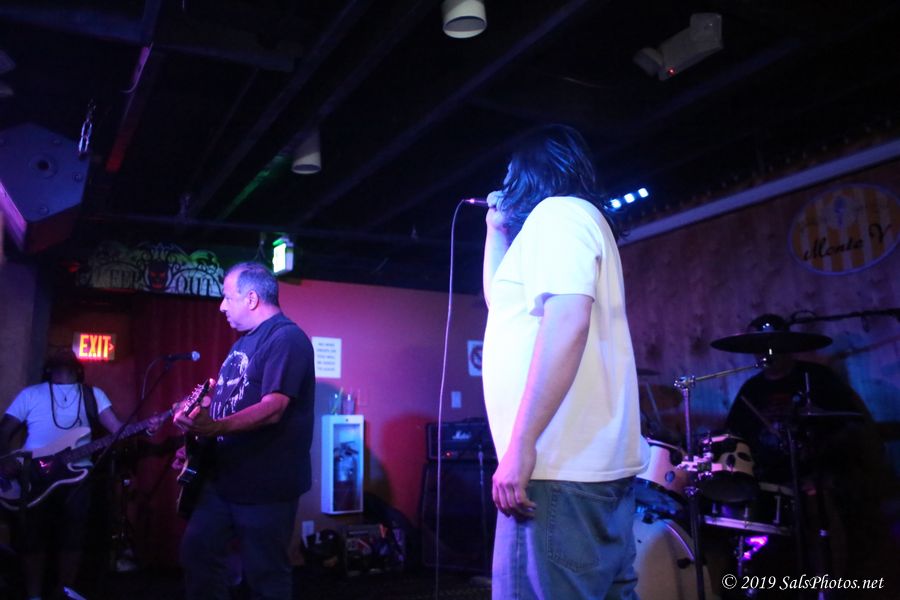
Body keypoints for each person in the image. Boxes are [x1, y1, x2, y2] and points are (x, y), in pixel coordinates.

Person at [480, 124, 649, 599]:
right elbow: (501, 302)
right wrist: (496, 230)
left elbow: (569, 321)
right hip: (586, 473)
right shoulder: (573, 222)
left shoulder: (557, 215)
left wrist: (522, 444)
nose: (504, 187)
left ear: (526, 174)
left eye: (510, 176)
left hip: (558, 471)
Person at [173, 261, 315, 600]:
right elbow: (228, 405)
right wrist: (196, 442)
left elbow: (274, 407)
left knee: (266, 577)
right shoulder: (241, 345)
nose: (222, 306)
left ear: (251, 299)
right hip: (223, 480)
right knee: (198, 554)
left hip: (266, 484)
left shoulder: (287, 338)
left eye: (227, 297)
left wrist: (213, 427)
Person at [724, 313, 890, 579]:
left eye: (773, 345)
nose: (766, 353)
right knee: (731, 503)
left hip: (819, 472)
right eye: (759, 347)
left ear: (788, 346)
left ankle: (829, 584)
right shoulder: (751, 390)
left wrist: (821, 458)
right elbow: (733, 434)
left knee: (816, 507)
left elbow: (852, 425)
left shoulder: (817, 377)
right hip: (770, 479)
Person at [0, 349, 131, 600]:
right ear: (48, 368)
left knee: (74, 536)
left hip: (77, 475)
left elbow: (116, 429)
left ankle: (64, 592)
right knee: (34, 536)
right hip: (34, 474)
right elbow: (4, 430)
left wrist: (144, 427)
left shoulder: (93, 394)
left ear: (78, 368)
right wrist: (5, 460)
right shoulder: (31, 394)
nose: (63, 357)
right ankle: (34, 596)